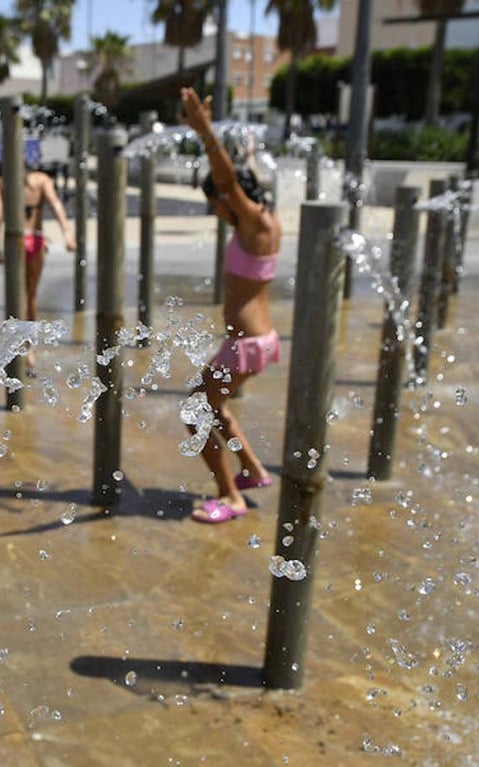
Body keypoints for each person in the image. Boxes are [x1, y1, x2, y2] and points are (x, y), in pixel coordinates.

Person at [180, 87, 282, 524]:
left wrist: (205, 132)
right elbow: (239, 176)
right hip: (253, 339)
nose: (217, 212)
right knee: (214, 406)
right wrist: (247, 153)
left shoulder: (254, 221)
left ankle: (230, 496)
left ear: (228, 198)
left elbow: (227, 179)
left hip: (246, 343)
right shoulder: (265, 219)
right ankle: (253, 471)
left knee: (195, 411)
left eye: (216, 205)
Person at [0, 161, 77, 327]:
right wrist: (67, 235)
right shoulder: (42, 180)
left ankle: (15, 336)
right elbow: (55, 204)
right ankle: (30, 339)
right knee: (31, 293)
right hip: (36, 239)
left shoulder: (2, 183)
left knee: (16, 294)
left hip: (14, 242)